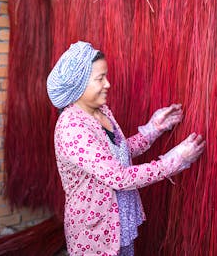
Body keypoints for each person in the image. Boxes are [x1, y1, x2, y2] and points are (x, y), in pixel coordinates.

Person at [47, 41, 205, 256]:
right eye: (100, 78)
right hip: (95, 233)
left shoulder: (101, 111)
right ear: (78, 84)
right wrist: (173, 161)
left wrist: (154, 128)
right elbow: (118, 176)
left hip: (119, 221)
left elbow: (119, 154)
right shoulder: (72, 127)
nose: (108, 84)